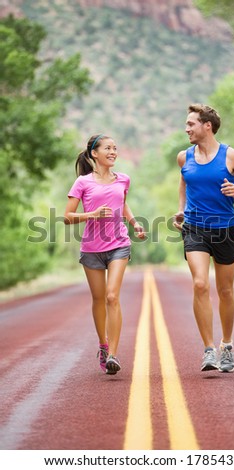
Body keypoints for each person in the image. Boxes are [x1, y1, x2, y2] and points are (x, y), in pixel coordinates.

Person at [173, 104, 234, 372]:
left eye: (191, 124)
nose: (187, 128)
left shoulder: (231, 156)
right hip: (195, 228)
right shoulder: (184, 157)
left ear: (207, 126)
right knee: (200, 284)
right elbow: (184, 182)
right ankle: (209, 349)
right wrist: (180, 209)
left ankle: (227, 344)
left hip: (225, 229)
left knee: (225, 291)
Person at [64, 134, 145, 375]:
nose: (113, 152)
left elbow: (123, 203)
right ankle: (103, 344)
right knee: (99, 299)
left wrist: (134, 223)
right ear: (94, 154)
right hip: (91, 248)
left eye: (115, 148)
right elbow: (67, 217)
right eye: (108, 148)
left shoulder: (123, 179)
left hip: (119, 244)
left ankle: (113, 355)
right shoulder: (82, 182)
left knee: (112, 297)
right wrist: (92, 215)